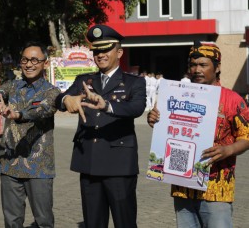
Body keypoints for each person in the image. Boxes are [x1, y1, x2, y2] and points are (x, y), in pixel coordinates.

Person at [147, 41, 249, 228]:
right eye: (193, 65)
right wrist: (155, 119)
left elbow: (246, 136)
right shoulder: (177, 95)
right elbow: (169, 130)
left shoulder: (232, 99)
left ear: (217, 68)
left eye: (203, 65)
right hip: (182, 186)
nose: (197, 70)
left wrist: (229, 150)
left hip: (216, 188)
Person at [56, 24, 146, 228]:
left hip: (119, 165)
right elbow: (60, 97)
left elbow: (137, 108)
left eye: (106, 49)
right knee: (93, 223)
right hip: (89, 163)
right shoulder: (84, 80)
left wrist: (107, 105)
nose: (100, 54)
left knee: (125, 222)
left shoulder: (133, 83)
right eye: (96, 50)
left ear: (119, 52)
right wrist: (66, 100)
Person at [0, 41, 60, 228]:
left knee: (43, 221)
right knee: (12, 221)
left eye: (35, 60)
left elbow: (42, 111)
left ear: (45, 63)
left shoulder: (52, 92)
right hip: (9, 163)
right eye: (25, 59)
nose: (29, 64)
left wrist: (17, 114)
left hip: (39, 166)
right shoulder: (12, 86)